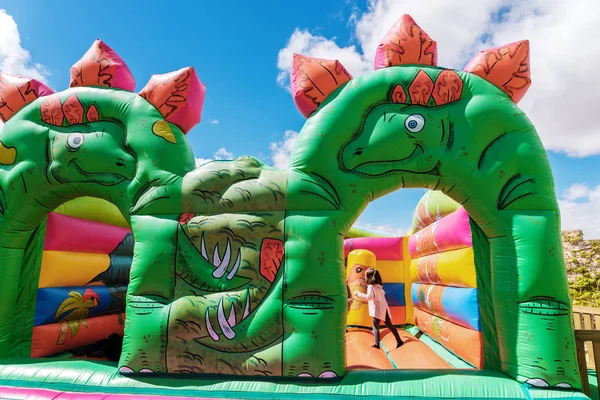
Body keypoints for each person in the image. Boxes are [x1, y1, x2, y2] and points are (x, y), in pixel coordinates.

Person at [354, 267, 404, 349]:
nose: (365, 277)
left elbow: (369, 297)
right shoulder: (378, 286)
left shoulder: (371, 287)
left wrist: (358, 293)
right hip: (384, 308)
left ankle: (377, 344)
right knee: (390, 325)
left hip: (377, 309)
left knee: (375, 326)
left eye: (366, 276)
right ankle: (399, 340)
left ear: (369, 277)